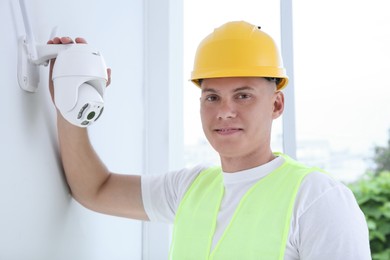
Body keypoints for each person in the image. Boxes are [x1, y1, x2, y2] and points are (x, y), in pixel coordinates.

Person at [48, 21, 371, 259]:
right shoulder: (191, 188)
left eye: (243, 96)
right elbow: (95, 189)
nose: (225, 111)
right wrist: (73, 101)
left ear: (276, 104)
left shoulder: (317, 198)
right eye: (212, 97)